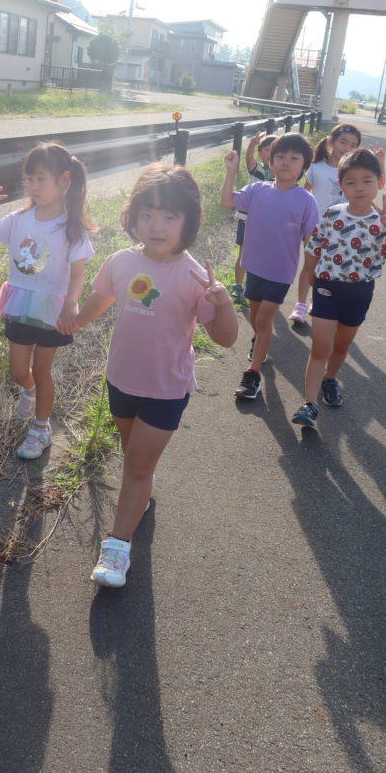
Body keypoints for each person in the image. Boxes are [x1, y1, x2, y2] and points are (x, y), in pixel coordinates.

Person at [63, 164, 239, 587]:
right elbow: (100, 299)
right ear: (133, 215)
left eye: (169, 216)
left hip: (166, 389)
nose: (157, 226)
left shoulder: (194, 277)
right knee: (133, 459)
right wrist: (72, 322)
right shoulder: (121, 261)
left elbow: (225, 338)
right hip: (121, 379)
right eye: (148, 214)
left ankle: (116, 549)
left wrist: (224, 304)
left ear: (188, 222)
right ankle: (139, 494)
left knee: (138, 468)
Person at [0, 142, 95, 459]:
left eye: (41, 178)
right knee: (18, 371)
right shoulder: (18, 218)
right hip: (20, 302)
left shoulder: (71, 228)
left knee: (42, 369)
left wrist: (71, 303)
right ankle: (28, 392)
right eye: (30, 179)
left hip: (52, 309)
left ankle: (41, 428)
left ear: (64, 180)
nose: (34, 186)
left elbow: (78, 274)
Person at [291, 147, 386, 428]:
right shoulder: (332, 214)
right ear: (341, 186)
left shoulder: (384, 223)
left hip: (359, 292)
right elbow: (314, 247)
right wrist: (312, 275)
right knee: (320, 346)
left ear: (380, 182)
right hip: (327, 287)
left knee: (341, 345)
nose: (359, 187)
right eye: (351, 182)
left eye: (367, 181)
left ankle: (330, 378)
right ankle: (309, 405)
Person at [221, 132, 319, 401]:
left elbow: (311, 240)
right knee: (257, 320)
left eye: (294, 158)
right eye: (281, 156)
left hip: (280, 273)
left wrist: (316, 271)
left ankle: (252, 375)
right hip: (254, 267)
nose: (286, 162)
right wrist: (231, 170)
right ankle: (260, 343)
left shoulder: (306, 200)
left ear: (304, 166)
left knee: (264, 320)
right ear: (271, 162)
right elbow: (227, 201)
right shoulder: (257, 190)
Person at [288, 123, 366, 324]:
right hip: (314, 226)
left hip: (341, 230)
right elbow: (304, 194)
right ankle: (300, 305)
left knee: (328, 268)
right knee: (309, 266)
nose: (346, 148)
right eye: (343, 142)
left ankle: (317, 301)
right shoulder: (316, 167)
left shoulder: (353, 173)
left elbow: (366, 192)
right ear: (331, 141)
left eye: (353, 145)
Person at [231, 131, 276, 302]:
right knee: (243, 254)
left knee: (265, 255)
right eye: (266, 149)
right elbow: (248, 160)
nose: (270, 153)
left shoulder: (282, 175)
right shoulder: (259, 170)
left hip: (269, 223)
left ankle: (259, 286)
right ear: (260, 152)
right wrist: (251, 144)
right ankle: (238, 286)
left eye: (274, 150)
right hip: (247, 220)